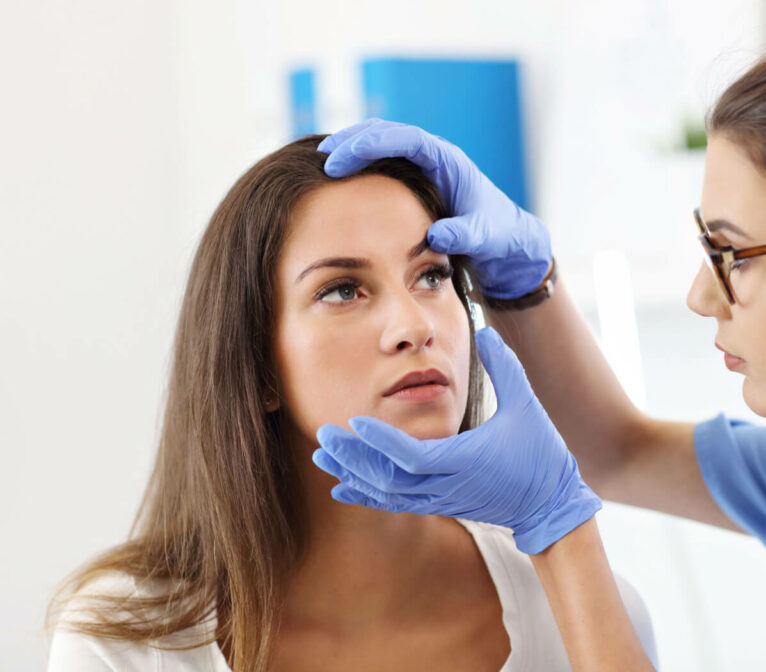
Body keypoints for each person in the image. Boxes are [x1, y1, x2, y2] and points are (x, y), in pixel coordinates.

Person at [313, 12, 766, 671]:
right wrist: (524, 285)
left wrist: (554, 523)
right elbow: (619, 452)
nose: (700, 295)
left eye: (734, 254)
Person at [46, 138, 655, 671]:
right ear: (257, 368)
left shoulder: (592, 618)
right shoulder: (122, 647)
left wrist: (561, 525)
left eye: (432, 275)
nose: (414, 326)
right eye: (342, 289)